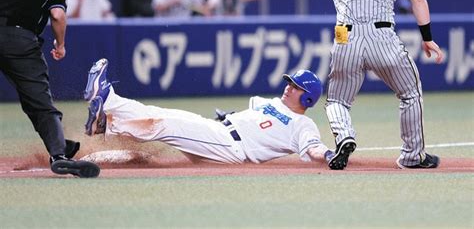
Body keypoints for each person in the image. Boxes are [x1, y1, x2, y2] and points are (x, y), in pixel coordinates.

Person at [277, 0, 444, 170]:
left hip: (346, 37)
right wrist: (427, 38)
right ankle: (413, 156)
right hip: (383, 36)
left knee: (337, 101)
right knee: (410, 94)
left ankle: (344, 137)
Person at [83, 58, 335, 166]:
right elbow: (255, 119)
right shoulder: (271, 102)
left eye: (295, 86)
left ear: (308, 97)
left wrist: (330, 155)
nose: (288, 87)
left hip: (231, 148)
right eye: (289, 82)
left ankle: (106, 123)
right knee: (162, 113)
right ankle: (108, 104)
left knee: (165, 124)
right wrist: (230, 115)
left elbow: (313, 148)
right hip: (219, 131)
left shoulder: (303, 125)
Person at [0, 0, 100, 177]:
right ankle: (59, 154)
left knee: (33, 101)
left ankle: (58, 143)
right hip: (19, 39)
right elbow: (57, 15)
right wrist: (61, 44)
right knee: (39, 100)